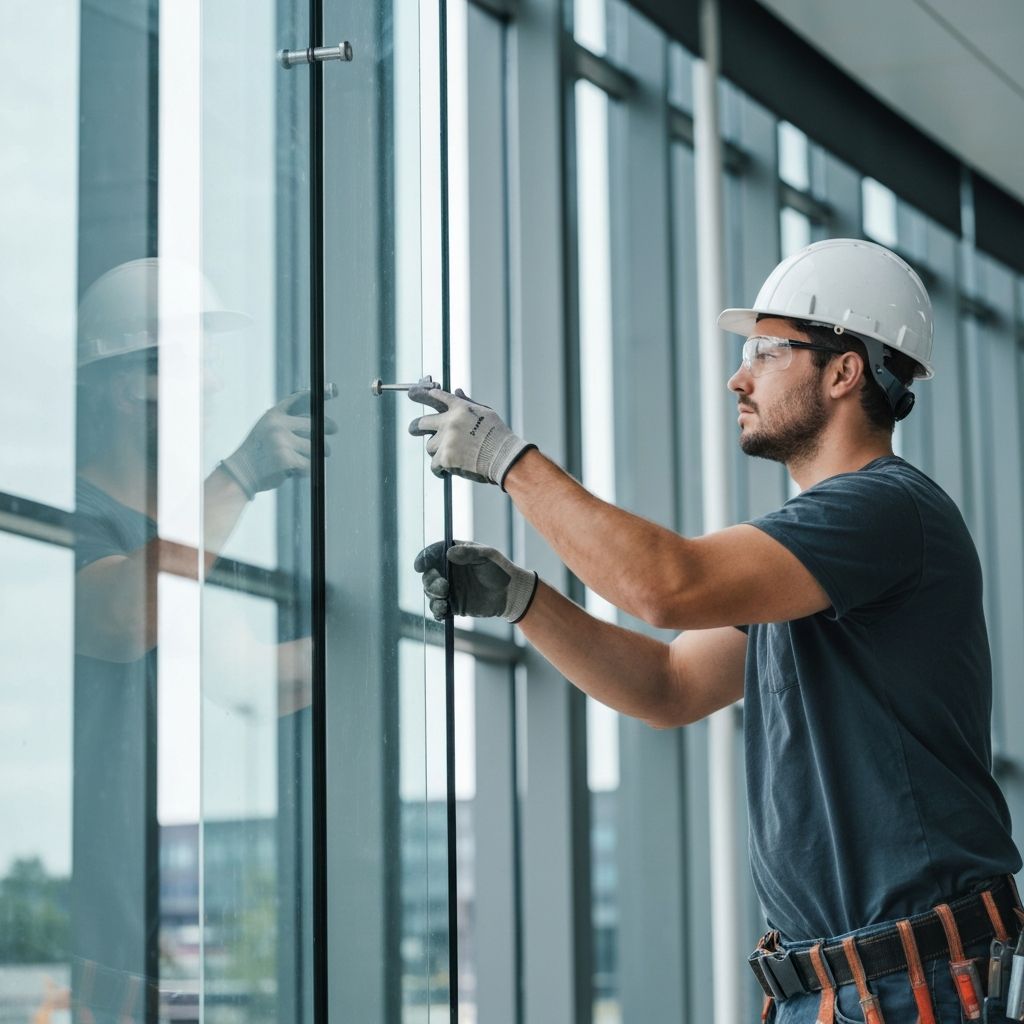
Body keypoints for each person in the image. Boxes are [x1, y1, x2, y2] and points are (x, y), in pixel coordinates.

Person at [409, 238, 1023, 1023]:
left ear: (845, 371)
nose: (739, 376)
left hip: (917, 982)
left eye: (768, 352)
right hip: (842, 985)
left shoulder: (884, 509)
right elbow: (668, 686)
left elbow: (668, 586)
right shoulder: (817, 561)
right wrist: (525, 601)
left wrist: (508, 459)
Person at [72, 257, 334, 1021]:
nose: (218, 387)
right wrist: (242, 473)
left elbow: (251, 679)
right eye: (199, 366)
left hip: (152, 908)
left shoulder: (176, 531)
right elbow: (122, 620)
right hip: (75, 912)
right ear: (131, 388)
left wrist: (415, 625)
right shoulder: (65, 510)